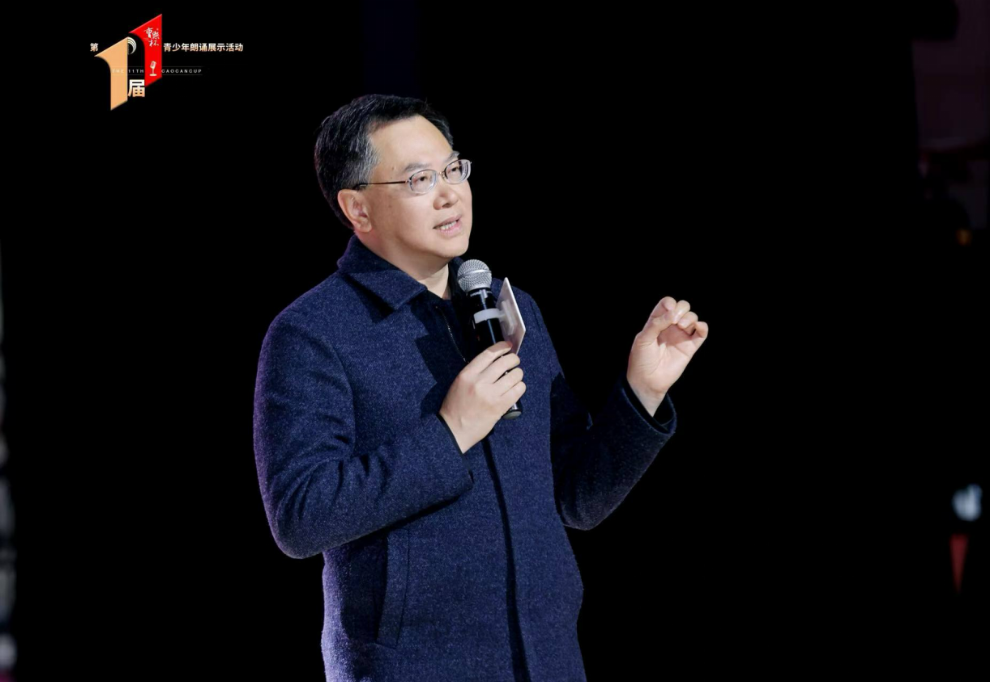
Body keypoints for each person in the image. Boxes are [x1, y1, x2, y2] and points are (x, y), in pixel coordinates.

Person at [252, 94, 709, 682]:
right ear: (357, 208)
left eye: (453, 170)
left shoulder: (509, 308)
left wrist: (641, 392)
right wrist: (450, 434)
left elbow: (577, 496)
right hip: (410, 668)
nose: (449, 194)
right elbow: (301, 517)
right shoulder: (313, 332)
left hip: (547, 660)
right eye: (419, 179)